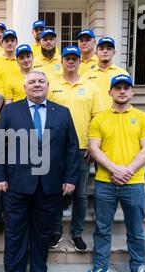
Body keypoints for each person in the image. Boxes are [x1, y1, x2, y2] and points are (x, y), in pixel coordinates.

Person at [0, 70, 80, 272]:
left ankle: (40, 270)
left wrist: (71, 178)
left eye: (41, 81)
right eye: (32, 81)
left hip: (50, 185)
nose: (37, 84)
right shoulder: (11, 111)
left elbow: (72, 148)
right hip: (16, 184)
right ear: (25, 87)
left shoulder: (62, 113)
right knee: (14, 231)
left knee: (43, 232)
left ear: (48, 86)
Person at [85, 74, 145, 272]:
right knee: (102, 228)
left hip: (134, 183)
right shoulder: (99, 119)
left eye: (126, 88)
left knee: (136, 230)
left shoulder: (143, 117)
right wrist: (115, 169)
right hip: (105, 182)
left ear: (132, 91)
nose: (122, 91)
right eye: (118, 88)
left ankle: (139, 270)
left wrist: (128, 171)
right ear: (110, 93)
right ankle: (100, 265)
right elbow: (94, 148)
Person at [48, 46, 103, 251]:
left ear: (80, 61)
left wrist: (93, 143)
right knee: (55, 192)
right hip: (56, 149)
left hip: (81, 148)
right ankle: (55, 231)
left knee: (80, 194)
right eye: (67, 58)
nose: (71, 62)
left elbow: (97, 117)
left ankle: (77, 233)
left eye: (74, 58)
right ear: (61, 61)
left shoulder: (90, 87)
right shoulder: (52, 86)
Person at [83, 37, 129, 111]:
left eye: (109, 48)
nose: (105, 51)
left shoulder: (122, 74)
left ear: (114, 52)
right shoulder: (86, 76)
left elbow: (127, 98)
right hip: (94, 118)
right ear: (96, 53)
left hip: (115, 116)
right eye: (101, 49)